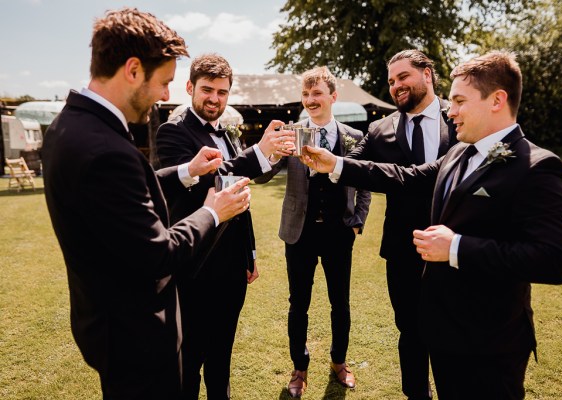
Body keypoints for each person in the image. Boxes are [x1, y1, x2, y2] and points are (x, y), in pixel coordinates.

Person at [301, 51, 562, 399]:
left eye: (459, 101)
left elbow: (553, 260)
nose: (452, 110)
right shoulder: (461, 152)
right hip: (445, 325)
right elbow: (407, 177)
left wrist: (456, 247)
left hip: (491, 339)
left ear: (497, 100)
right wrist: (336, 164)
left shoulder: (537, 166)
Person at [42, 8, 251, 399]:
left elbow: (124, 194)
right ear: (133, 69)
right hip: (136, 338)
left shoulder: (69, 126)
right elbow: (158, 254)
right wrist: (213, 211)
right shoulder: (106, 149)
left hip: (106, 327)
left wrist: (186, 171)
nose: (166, 95)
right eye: (165, 82)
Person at [155, 53, 295, 400]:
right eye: (207, 90)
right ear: (190, 88)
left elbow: (241, 194)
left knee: (221, 359)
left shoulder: (228, 135)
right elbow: (214, 179)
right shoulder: (172, 132)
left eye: (222, 91)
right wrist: (258, 152)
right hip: (194, 267)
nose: (214, 98)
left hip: (232, 269)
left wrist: (249, 253)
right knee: (188, 363)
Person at [254, 66, 371, 398]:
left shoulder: (353, 137)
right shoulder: (290, 133)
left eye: (317, 93)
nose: (310, 100)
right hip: (299, 233)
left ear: (333, 96)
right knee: (298, 304)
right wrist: (271, 149)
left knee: (340, 303)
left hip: (339, 234)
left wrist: (358, 220)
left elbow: (364, 184)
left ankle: (339, 362)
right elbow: (262, 177)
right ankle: (300, 368)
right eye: (305, 94)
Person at [347, 49, 457, 400]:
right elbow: (351, 164)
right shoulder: (380, 129)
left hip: (455, 245)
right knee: (409, 330)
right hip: (402, 248)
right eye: (391, 81)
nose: (395, 86)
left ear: (427, 75)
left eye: (403, 77)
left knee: (453, 329)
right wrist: (317, 152)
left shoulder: (459, 116)